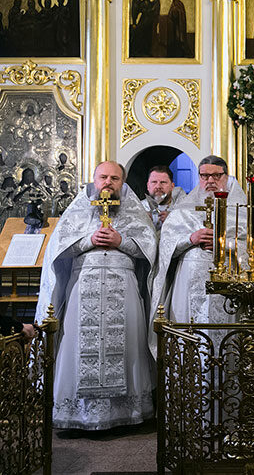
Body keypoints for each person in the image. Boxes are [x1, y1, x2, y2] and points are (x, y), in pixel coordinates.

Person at [35, 161, 157, 430]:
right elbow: (58, 248)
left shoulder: (134, 212)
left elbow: (150, 248)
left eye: (115, 178)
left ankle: (126, 414)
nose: (108, 183)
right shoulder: (78, 210)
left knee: (127, 347)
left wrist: (120, 241)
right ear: (93, 180)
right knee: (77, 345)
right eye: (103, 177)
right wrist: (89, 240)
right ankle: (77, 416)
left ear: (122, 182)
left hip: (122, 289)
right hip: (83, 287)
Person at [149, 156, 246, 349]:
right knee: (189, 336)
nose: (210, 181)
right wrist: (190, 239)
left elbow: (253, 247)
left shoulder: (240, 209)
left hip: (227, 284)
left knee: (226, 340)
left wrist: (223, 244)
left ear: (226, 177)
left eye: (216, 175)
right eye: (204, 176)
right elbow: (166, 246)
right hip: (187, 286)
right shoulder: (183, 209)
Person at [140, 165, 186, 231]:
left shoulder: (183, 209)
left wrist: (174, 221)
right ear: (148, 186)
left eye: (163, 182)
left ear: (172, 186)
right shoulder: (139, 208)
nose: (158, 186)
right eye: (154, 182)